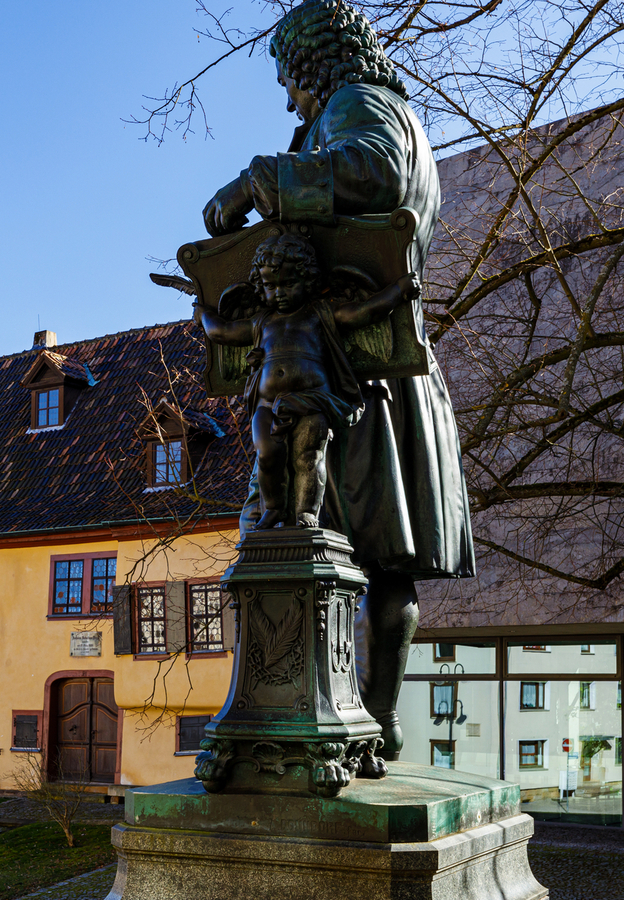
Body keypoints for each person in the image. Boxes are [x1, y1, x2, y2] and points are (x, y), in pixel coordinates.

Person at [202, 0, 476, 763]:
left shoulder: (359, 106)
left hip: (347, 376)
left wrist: (259, 182)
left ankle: (286, 714)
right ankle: (375, 721)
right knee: (388, 563)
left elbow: (374, 173)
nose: (289, 99)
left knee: (286, 535)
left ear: (312, 64)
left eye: (290, 80)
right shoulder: (392, 112)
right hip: (386, 370)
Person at [194, 232, 420, 529]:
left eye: (288, 284)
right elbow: (222, 332)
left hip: (313, 400)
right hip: (267, 404)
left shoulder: (319, 313)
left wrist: (399, 291)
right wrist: (203, 316)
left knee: (309, 458)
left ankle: (306, 511)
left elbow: (364, 312)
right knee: (267, 454)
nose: (280, 293)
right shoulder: (261, 321)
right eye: (271, 286)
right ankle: (272, 509)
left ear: (308, 280)